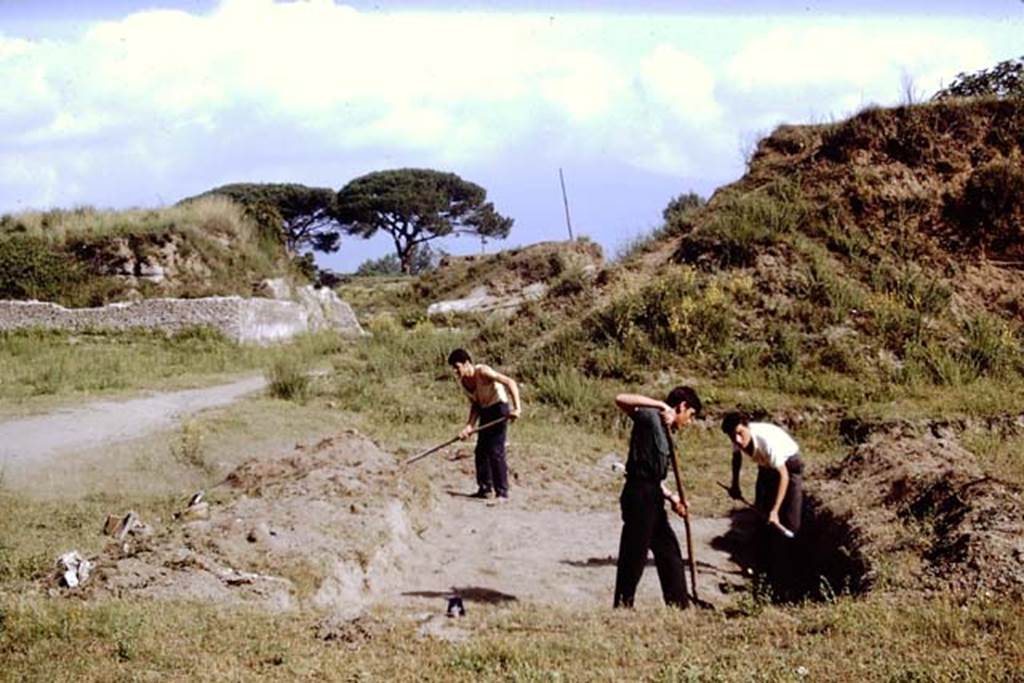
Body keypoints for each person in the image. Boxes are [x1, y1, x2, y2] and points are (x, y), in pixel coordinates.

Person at [612, 386, 702, 609]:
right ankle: (623, 605)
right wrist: (661, 405)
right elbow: (621, 398)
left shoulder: (668, 433)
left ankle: (679, 604)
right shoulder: (651, 417)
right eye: (690, 416)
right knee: (635, 553)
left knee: (669, 550)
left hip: (652, 495)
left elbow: (654, 476)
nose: (689, 422)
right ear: (682, 407)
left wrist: (672, 498)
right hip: (638, 494)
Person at [720, 412, 804, 594]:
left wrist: (775, 510)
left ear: (747, 427)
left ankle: (790, 581)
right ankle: (764, 575)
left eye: (740, 434)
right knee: (761, 519)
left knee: (790, 524)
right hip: (766, 468)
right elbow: (736, 457)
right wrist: (735, 485)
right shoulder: (736, 436)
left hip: (789, 467)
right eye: (732, 437)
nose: (737, 440)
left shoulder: (767, 441)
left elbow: (784, 476)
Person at [448, 348, 522, 500]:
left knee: (495, 450)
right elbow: (476, 405)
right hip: (485, 411)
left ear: (467, 363)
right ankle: (485, 489)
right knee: (481, 451)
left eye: (457, 367)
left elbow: (510, 382)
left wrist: (517, 408)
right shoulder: (464, 382)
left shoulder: (482, 372)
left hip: (499, 408)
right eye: (453, 368)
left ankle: (502, 493)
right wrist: (469, 426)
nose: (455, 371)